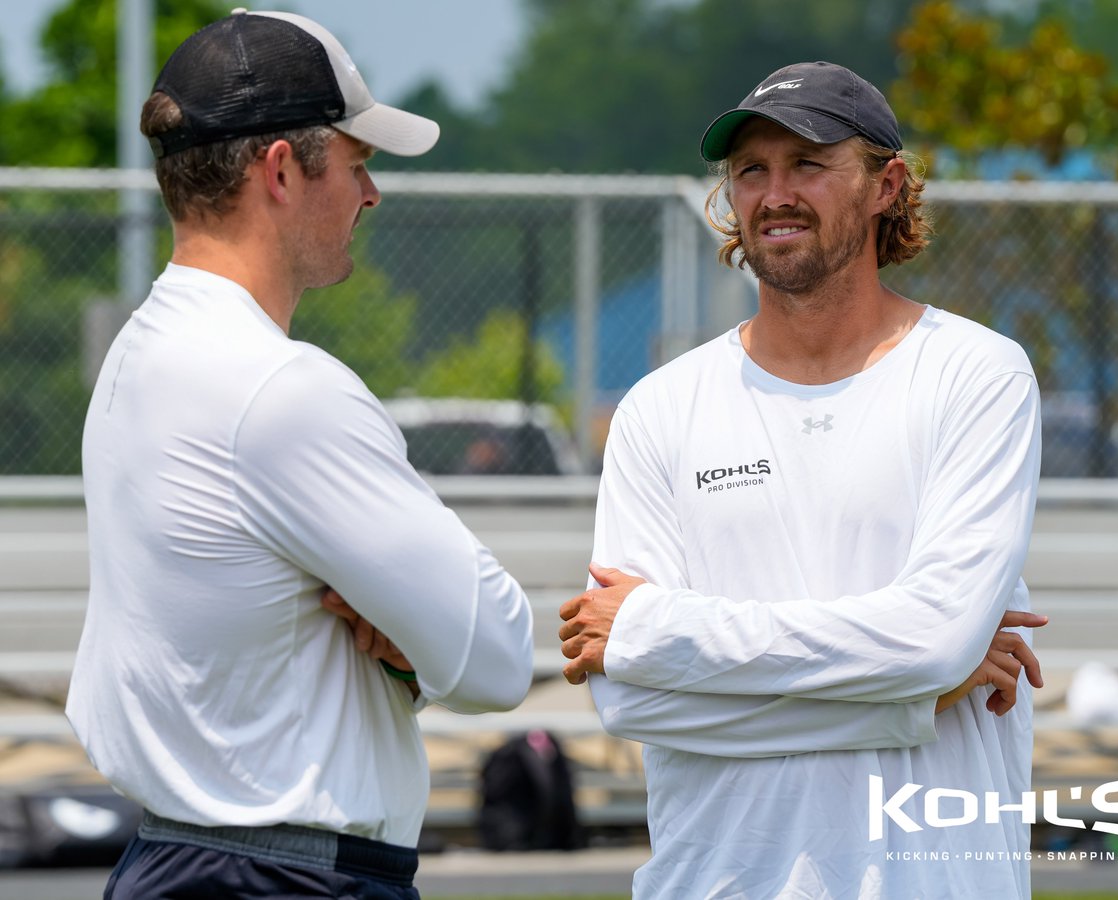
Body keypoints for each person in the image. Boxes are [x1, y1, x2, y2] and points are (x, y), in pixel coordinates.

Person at [65, 11, 534, 899]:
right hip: (286, 877)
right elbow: (496, 654)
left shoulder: (138, 357)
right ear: (281, 169)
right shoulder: (277, 388)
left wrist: (404, 637)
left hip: (180, 860)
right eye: (358, 164)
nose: (370, 195)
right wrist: (413, 641)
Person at [559, 61, 1046, 898]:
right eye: (752, 169)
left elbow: (933, 639)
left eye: (809, 164)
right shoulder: (660, 409)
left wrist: (661, 632)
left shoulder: (977, 375)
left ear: (886, 185)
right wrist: (906, 700)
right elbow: (632, 704)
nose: (774, 193)